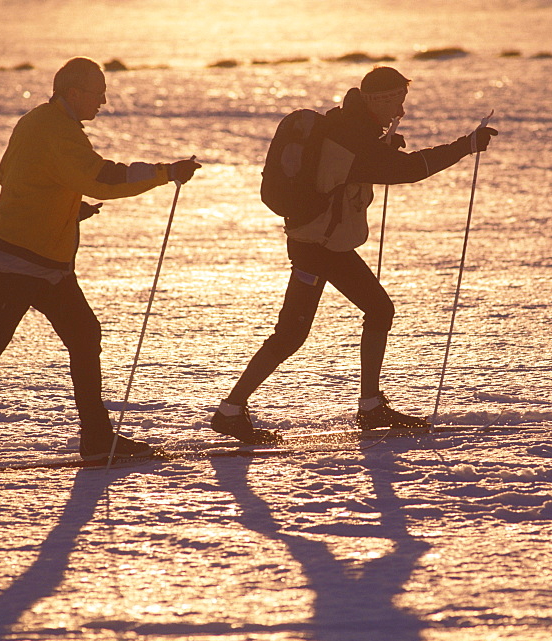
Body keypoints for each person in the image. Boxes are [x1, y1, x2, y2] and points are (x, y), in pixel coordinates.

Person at [0, 57, 200, 470]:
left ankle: (96, 437)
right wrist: (165, 171)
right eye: (98, 92)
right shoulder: (58, 132)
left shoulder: (35, 121)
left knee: (83, 334)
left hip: (41, 263)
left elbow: (10, 174)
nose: (104, 100)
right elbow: (102, 177)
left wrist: (63, 206)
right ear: (74, 93)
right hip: (20, 261)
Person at [211, 66, 497, 445]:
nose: (401, 111)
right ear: (376, 101)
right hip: (317, 247)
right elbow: (409, 170)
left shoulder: (351, 127)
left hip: (325, 244)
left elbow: (359, 163)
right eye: (396, 101)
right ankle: (233, 410)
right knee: (293, 333)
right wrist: (465, 145)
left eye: (402, 101)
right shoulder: (352, 138)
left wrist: (380, 151)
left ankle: (368, 405)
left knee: (372, 311)